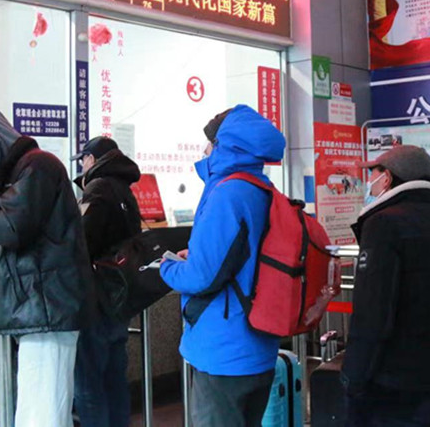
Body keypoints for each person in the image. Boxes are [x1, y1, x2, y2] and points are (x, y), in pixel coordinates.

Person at [0, 102, 94, 427]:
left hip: (48, 309)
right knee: (40, 409)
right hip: (40, 309)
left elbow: (10, 230)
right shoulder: (18, 172)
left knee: (43, 412)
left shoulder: (38, 166)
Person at [160, 105, 285, 427]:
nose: (204, 149)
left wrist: (167, 267)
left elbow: (202, 276)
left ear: (224, 144)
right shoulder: (261, 188)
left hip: (223, 348)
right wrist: (198, 254)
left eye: (209, 142)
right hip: (259, 343)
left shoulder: (227, 194)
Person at [341, 145, 430, 427]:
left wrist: (354, 374)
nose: (369, 182)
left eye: (373, 174)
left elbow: (372, 310)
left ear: (387, 178)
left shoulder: (383, 224)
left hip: (389, 379)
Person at [72, 136, 142, 427]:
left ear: (90, 159)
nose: (81, 167)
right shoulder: (124, 189)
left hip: (96, 298)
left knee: (89, 382)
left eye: (82, 161)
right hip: (118, 297)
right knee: (114, 378)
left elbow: (82, 242)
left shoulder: (98, 188)